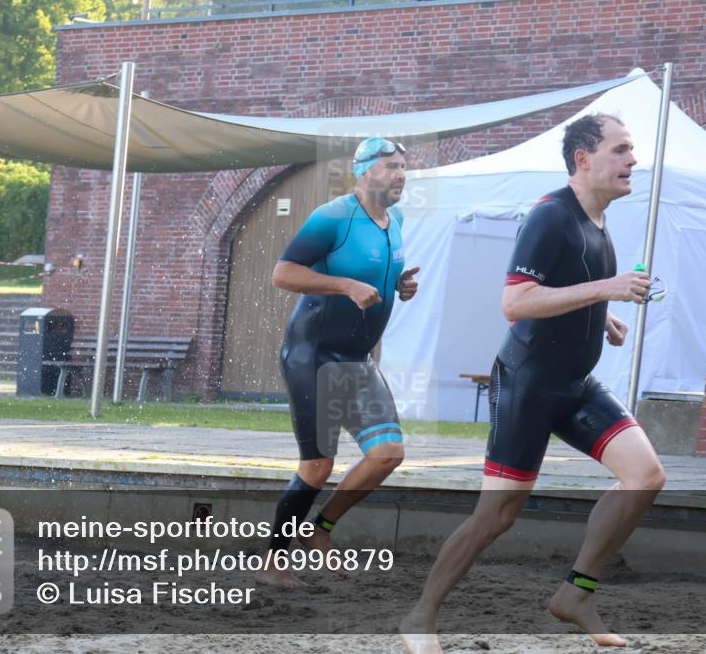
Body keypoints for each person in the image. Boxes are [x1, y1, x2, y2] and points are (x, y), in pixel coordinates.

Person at [401, 114, 666, 651]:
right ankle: (420, 616)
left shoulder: (596, 223)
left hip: (574, 383)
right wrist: (605, 291)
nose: (632, 161)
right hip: (527, 384)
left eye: (632, 151)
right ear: (583, 158)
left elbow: (567, 290)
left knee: (645, 476)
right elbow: (515, 303)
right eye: (621, 150)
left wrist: (602, 318)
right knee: (496, 515)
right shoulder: (551, 216)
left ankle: (577, 593)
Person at [255, 137, 420, 589]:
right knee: (317, 467)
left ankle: (319, 529)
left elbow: (379, 272)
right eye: (391, 166)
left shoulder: (396, 219)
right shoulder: (332, 216)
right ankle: (272, 562)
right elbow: (283, 273)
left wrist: (400, 285)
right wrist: (345, 285)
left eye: (404, 166)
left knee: (388, 455)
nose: (401, 174)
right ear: (364, 170)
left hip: (357, 359)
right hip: (313, 356)